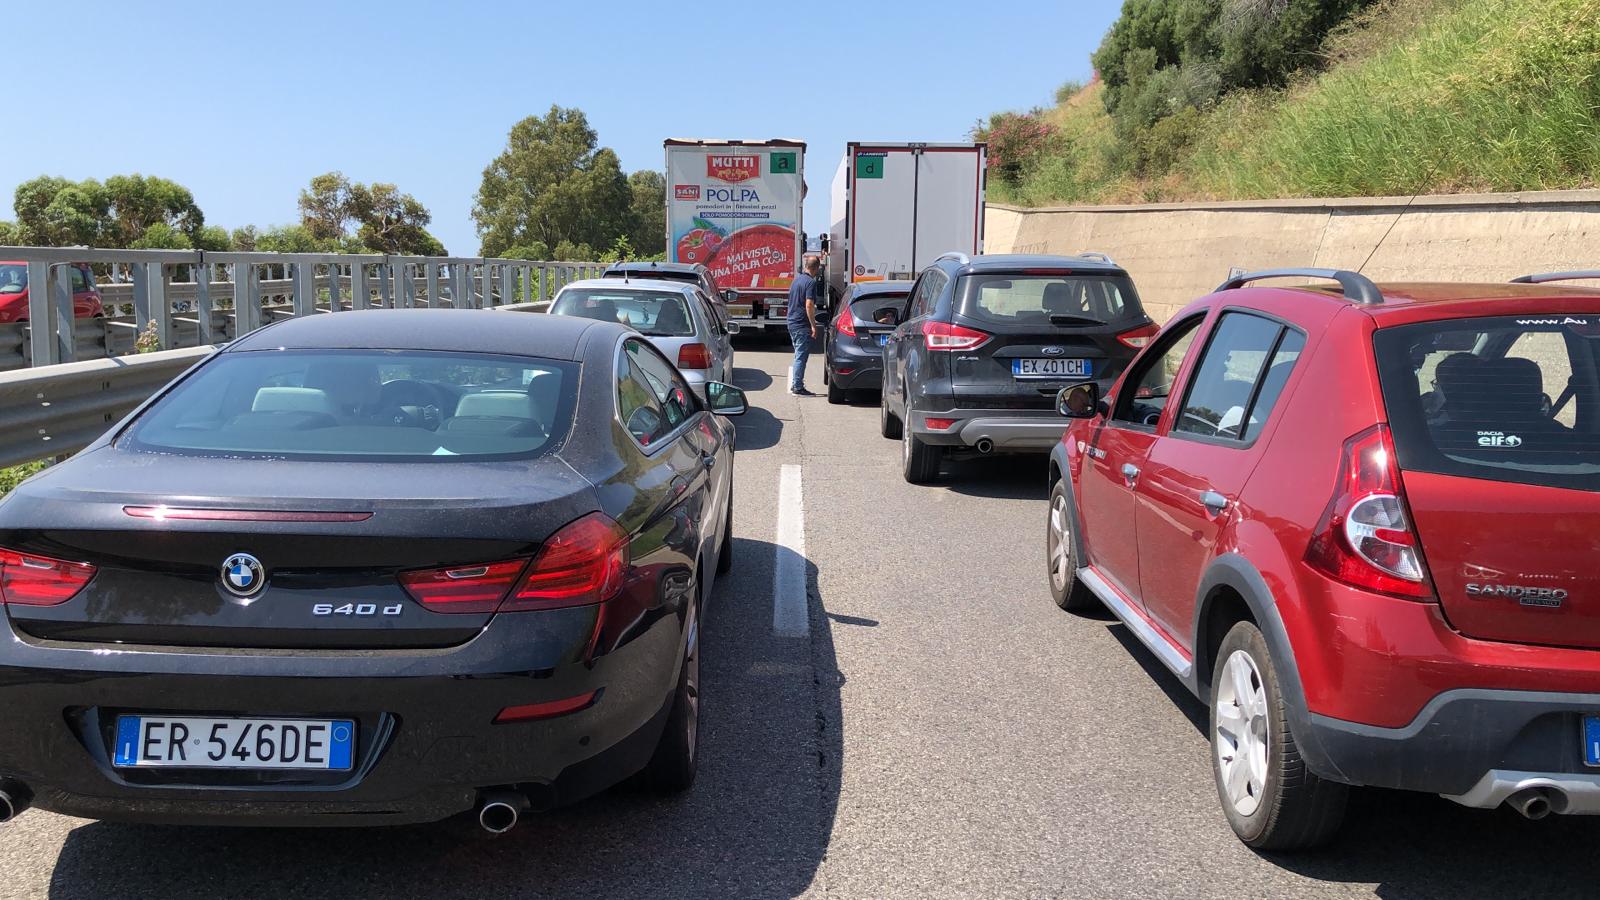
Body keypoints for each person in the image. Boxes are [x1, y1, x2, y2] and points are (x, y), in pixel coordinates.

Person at [787, 255, 825, 396]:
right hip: (801, 324)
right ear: (816, 268)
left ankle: (796, 384)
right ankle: (798, 386)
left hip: (792, 321)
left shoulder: (796, 280)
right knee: (801, 357)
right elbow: (809, 304)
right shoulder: (810, 283)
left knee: (798, 354)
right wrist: (813, 325)